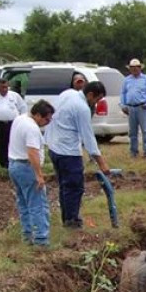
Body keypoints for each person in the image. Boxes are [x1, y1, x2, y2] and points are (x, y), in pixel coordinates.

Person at [45, 81, 113, 229]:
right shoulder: (82, 108)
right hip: (68, 152)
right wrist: (102, 163)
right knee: (74, 187)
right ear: (90, 95)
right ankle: (71, 221)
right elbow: (88, 138)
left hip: (53, 147)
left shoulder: (67, 93)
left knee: (64, 186)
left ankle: (67, 218)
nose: (96, 103)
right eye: (96, 99)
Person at [7, 100, 55, 247]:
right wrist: (39, 175)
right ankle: (41, 240)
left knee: (24, 203)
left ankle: (27, 236)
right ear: (38, 115)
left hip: (14, 165)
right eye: (47, 119)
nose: (48, 122)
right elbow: (32, 152)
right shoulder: (32, 128)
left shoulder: (19, 119)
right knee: (38, 205)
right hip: (26, 168)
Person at [0, 77, 27, 168]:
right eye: (2, 87)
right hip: (0, 124)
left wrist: (23, 119)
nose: (5, 89)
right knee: (1, 144)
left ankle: (14, 161)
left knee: (13, 143)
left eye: (6, 87)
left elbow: (23, 107)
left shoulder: (14, 95)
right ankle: (3, 164)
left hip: (13, 123)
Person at [120, 58, 146, 158]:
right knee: (132, 132)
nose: (135, 69)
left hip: (142, 107)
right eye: (132, 68)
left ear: (140, 68)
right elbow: (123, 93)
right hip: (131, 108)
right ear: (130, 69)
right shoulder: (126, 80)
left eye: (137, 67)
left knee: (145, 131)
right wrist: (123, 105)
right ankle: (133, 151)